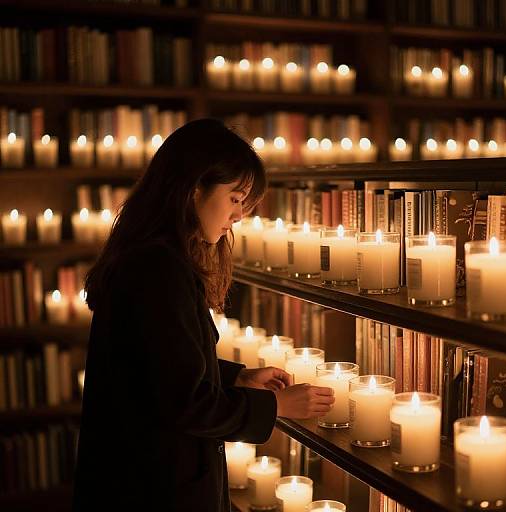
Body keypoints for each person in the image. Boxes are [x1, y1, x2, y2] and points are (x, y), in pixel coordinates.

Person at [72, 119, 335, 511]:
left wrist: (237, 377)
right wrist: (279, 407)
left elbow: (157, 364)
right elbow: (185, 401)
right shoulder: (157, 269)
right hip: (150, 488)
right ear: (194, 190)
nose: (240, 215)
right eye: (234, 198)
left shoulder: (153, 257)